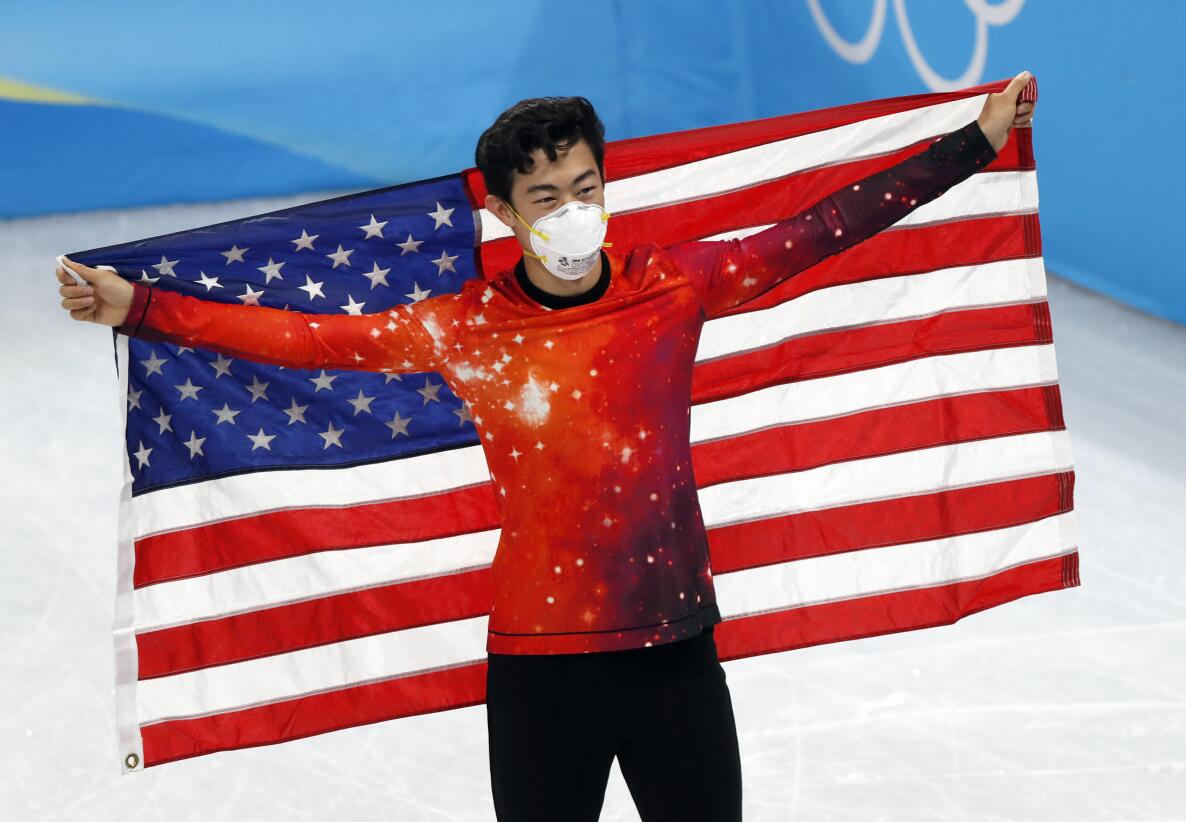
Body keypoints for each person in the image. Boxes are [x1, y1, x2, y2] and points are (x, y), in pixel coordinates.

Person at [54, 74, 1035, 821]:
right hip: (539, 665)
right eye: (547, 195)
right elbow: (305, 341)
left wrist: (973, 144)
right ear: (502, 210)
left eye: (586, 186)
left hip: (674, 656)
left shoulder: (671, 285)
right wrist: (139, 307)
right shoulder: (463, 326)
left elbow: (824, 230)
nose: (573, 210)